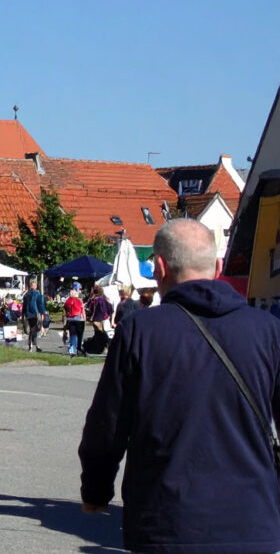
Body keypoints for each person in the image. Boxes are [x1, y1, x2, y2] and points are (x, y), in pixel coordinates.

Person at [79, 218, 280, 552]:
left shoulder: (140, 331)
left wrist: (96, 492)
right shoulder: (268, 331)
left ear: (160, 267)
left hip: (168, 520)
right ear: (217, 266)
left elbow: (108, 424)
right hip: (254, 520)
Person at [21, 279, 46, 352]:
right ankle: (32, 345)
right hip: (36, 313)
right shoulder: (38, 294)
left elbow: (24, 307)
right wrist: (42, 314)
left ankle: (34, 345)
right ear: (35, 286)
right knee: (34, 329)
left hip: (28, 314)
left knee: (32, 329)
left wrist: (22, 316)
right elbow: (41, 305)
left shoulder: (26, 295)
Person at [63, 289, 86, 357]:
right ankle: (79, 348)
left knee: (73, 335)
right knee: (79, 335)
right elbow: (82, 310)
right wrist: (84, 318)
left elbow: (66, 309)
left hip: (71, 319)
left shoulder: (68, 301)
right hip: (79, 319)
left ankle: (72, 350)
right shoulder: (79, 301)